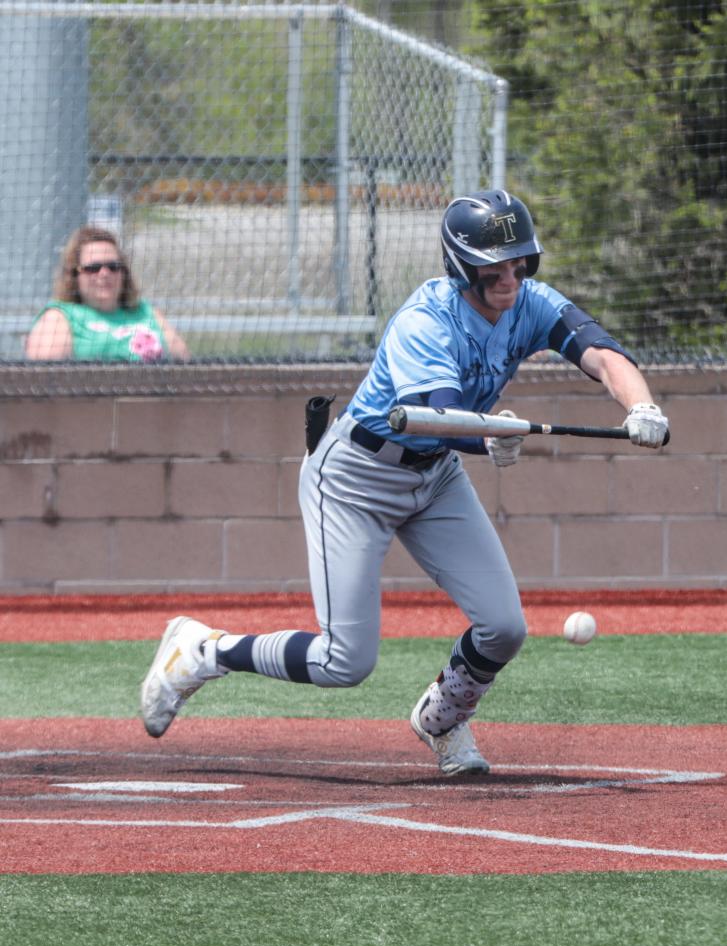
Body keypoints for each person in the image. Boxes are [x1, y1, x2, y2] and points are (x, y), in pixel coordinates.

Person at [138, 189, 669, 775]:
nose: (509, 276)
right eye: (494, 264)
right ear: (461, 264)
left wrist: (641, 407)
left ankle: (441, 719)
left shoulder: (529, 301)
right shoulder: (425, 321)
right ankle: (203, 650)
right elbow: (438, 416)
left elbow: (599, 350)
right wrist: (489, 436)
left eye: (519, 261)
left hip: (434, 477)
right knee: (345, 661)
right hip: (354, 480)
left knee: (504, 628)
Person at [25, 225, 188, 362]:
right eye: (93, 268)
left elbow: (186, 366)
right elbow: (43, 383)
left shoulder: (146, 312)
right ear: (74, 275)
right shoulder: (59, 317)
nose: (104, 273)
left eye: (113, 266)